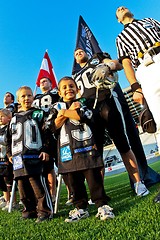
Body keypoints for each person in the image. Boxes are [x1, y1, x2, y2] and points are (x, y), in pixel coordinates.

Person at [73, 47, 149, 197]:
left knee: (123, 145)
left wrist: (108, 66)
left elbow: (118, 65)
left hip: (108, 103)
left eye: (80, 51)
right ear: (75, 60)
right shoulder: (75, 76)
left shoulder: (97, 59)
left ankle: (138, 183)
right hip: (90, 112)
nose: (78, 53)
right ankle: (100, 193)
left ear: (87, 53)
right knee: (96, 153)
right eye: (75, 53)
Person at [52, 76, 114, 222]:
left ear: (77, 89)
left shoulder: (84, 103)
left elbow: (85, 116)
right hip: (68, 151)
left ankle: (102, 205)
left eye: (71, 86)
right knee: (74, 182)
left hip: (86, 148)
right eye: (65, 87)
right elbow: (51, 126)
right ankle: (80, 208)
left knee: (94, 180)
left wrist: (64, 113)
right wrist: (65, 112)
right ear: (60, 92)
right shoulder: (55, 108)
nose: (68, 89)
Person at [115, 6, 160, 202]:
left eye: (123, 6)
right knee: (159, 121)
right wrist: (134, 86)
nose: (121, 7)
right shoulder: (120, 38)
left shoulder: (149, 20)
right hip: (144, 67)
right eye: (118, 10)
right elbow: (126, 62)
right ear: (118, 20)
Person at [6, 86, 53, 222]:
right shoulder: (14, 119)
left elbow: (46, 133)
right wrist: (9, 154)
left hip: (34, 156)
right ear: (18, 100)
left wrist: (45, 149)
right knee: (22, 188)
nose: (26, 98)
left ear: (33, 97)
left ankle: (45, 211)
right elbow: (9, 139)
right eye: (23, 96)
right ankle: (29, 210)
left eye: (29, 95)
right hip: (18, 158)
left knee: (38, 186)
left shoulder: (38, 114)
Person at [33, 77, 59, 203]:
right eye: (41, 82)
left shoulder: (56, 93)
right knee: (47, 166)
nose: (42, 83)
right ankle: (50, 194)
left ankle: (70, 192)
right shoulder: (35, 98)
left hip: (55, 129)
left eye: (45, 81)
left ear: (50, 83)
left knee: (62, 163)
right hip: (41, 132)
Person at [0, 109, 18, 210]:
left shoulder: (10, 128)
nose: (0, 118)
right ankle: (7, 201)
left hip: (7, 158)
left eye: (2, 116)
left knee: (9, 180)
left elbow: (9, 141)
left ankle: (13, 201)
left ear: (9, 118)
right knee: (2, 181)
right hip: (0, 158)